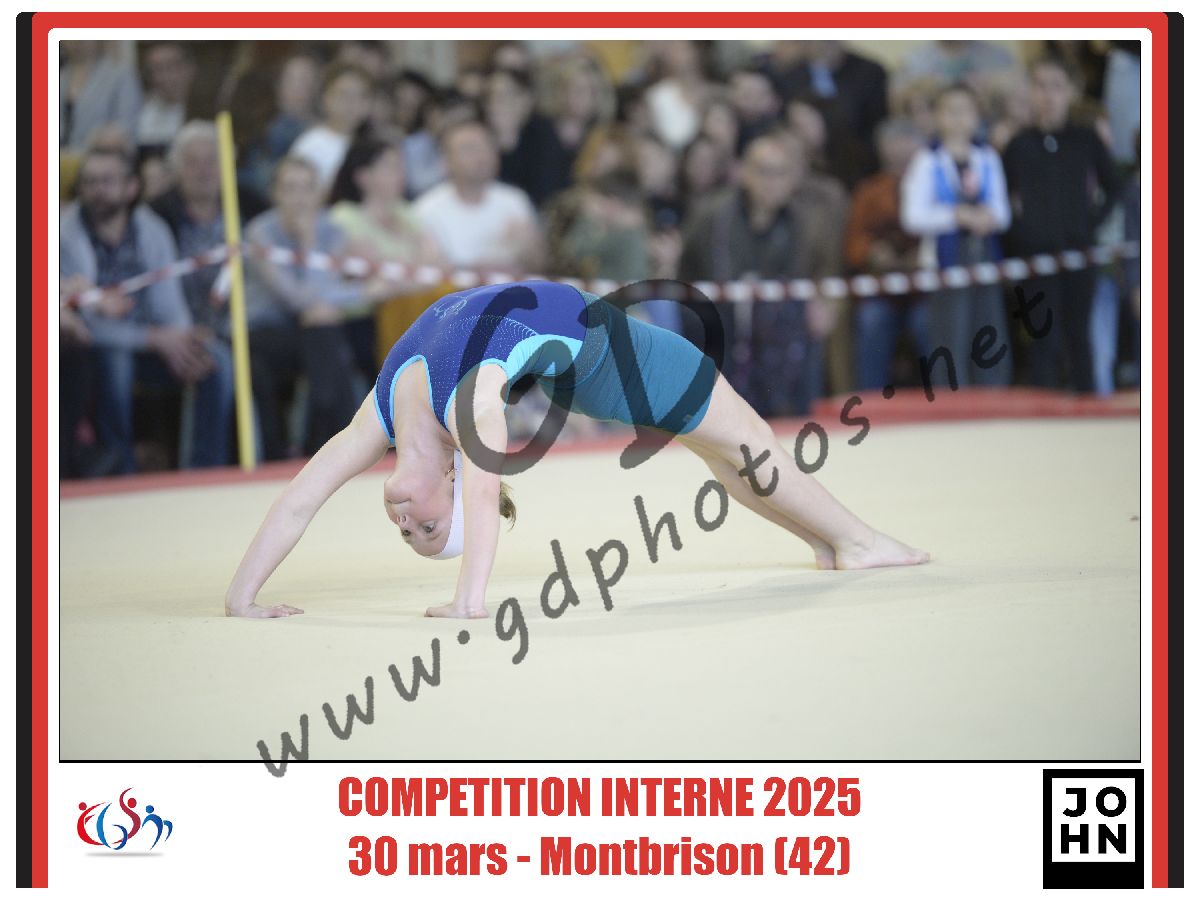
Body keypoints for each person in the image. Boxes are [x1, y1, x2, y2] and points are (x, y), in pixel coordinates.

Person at [225, 279, 930, 619]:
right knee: (743, 444)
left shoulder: (378, 415)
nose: (407, 522)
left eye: (411, 531)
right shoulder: (471, 411)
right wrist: (469, 600)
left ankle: (834, 542)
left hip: (596, 360)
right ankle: (857, 541)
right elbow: (483, 491)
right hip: (622, 364)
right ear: (451, 478)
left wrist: (241, 598)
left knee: (728, 452)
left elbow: (299, 500)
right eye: (427, 530)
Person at [60, 146, 233, 474]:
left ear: (132, 187)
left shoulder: (151, 229)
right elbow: (84, 327)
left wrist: (180, 338)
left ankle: (206, 469)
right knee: (115, 363)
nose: (97, 190)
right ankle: (120, 471)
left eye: (107, 181)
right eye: (90, 181)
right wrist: (154, 339)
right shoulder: (63, 234)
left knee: (215, 359)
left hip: (154, 342)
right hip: (97, 347)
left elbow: (170, 303)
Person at [1002, 56, 1122, 392]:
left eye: (1056, 87)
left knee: (1079, 336)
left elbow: (1114, 185)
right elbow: (1001, 196)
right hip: (1036, 258)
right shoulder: (1019, 144)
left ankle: (1085, 405)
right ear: (1031, 91)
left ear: (1070, 91)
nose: (1048, 95)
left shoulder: (1086, 139)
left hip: (1080, 253)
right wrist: (1020, 234)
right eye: (1041, 86)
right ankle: (1042, 410)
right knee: (1043, 339)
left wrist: (1090, 224)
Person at [900, 83, 1013, 388]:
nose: (958, 119)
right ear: (937, 117)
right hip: (946, 261)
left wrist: (987, 217)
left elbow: (1003, 212)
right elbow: (912, 216)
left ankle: (993, 395)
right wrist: (955, 216)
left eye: (965, 111)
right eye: (950, 111)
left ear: (977, 117)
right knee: (950, 334)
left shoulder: (987, 157)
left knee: (989, 330)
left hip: (984, 257)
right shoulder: (927, 160)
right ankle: (951, 400)